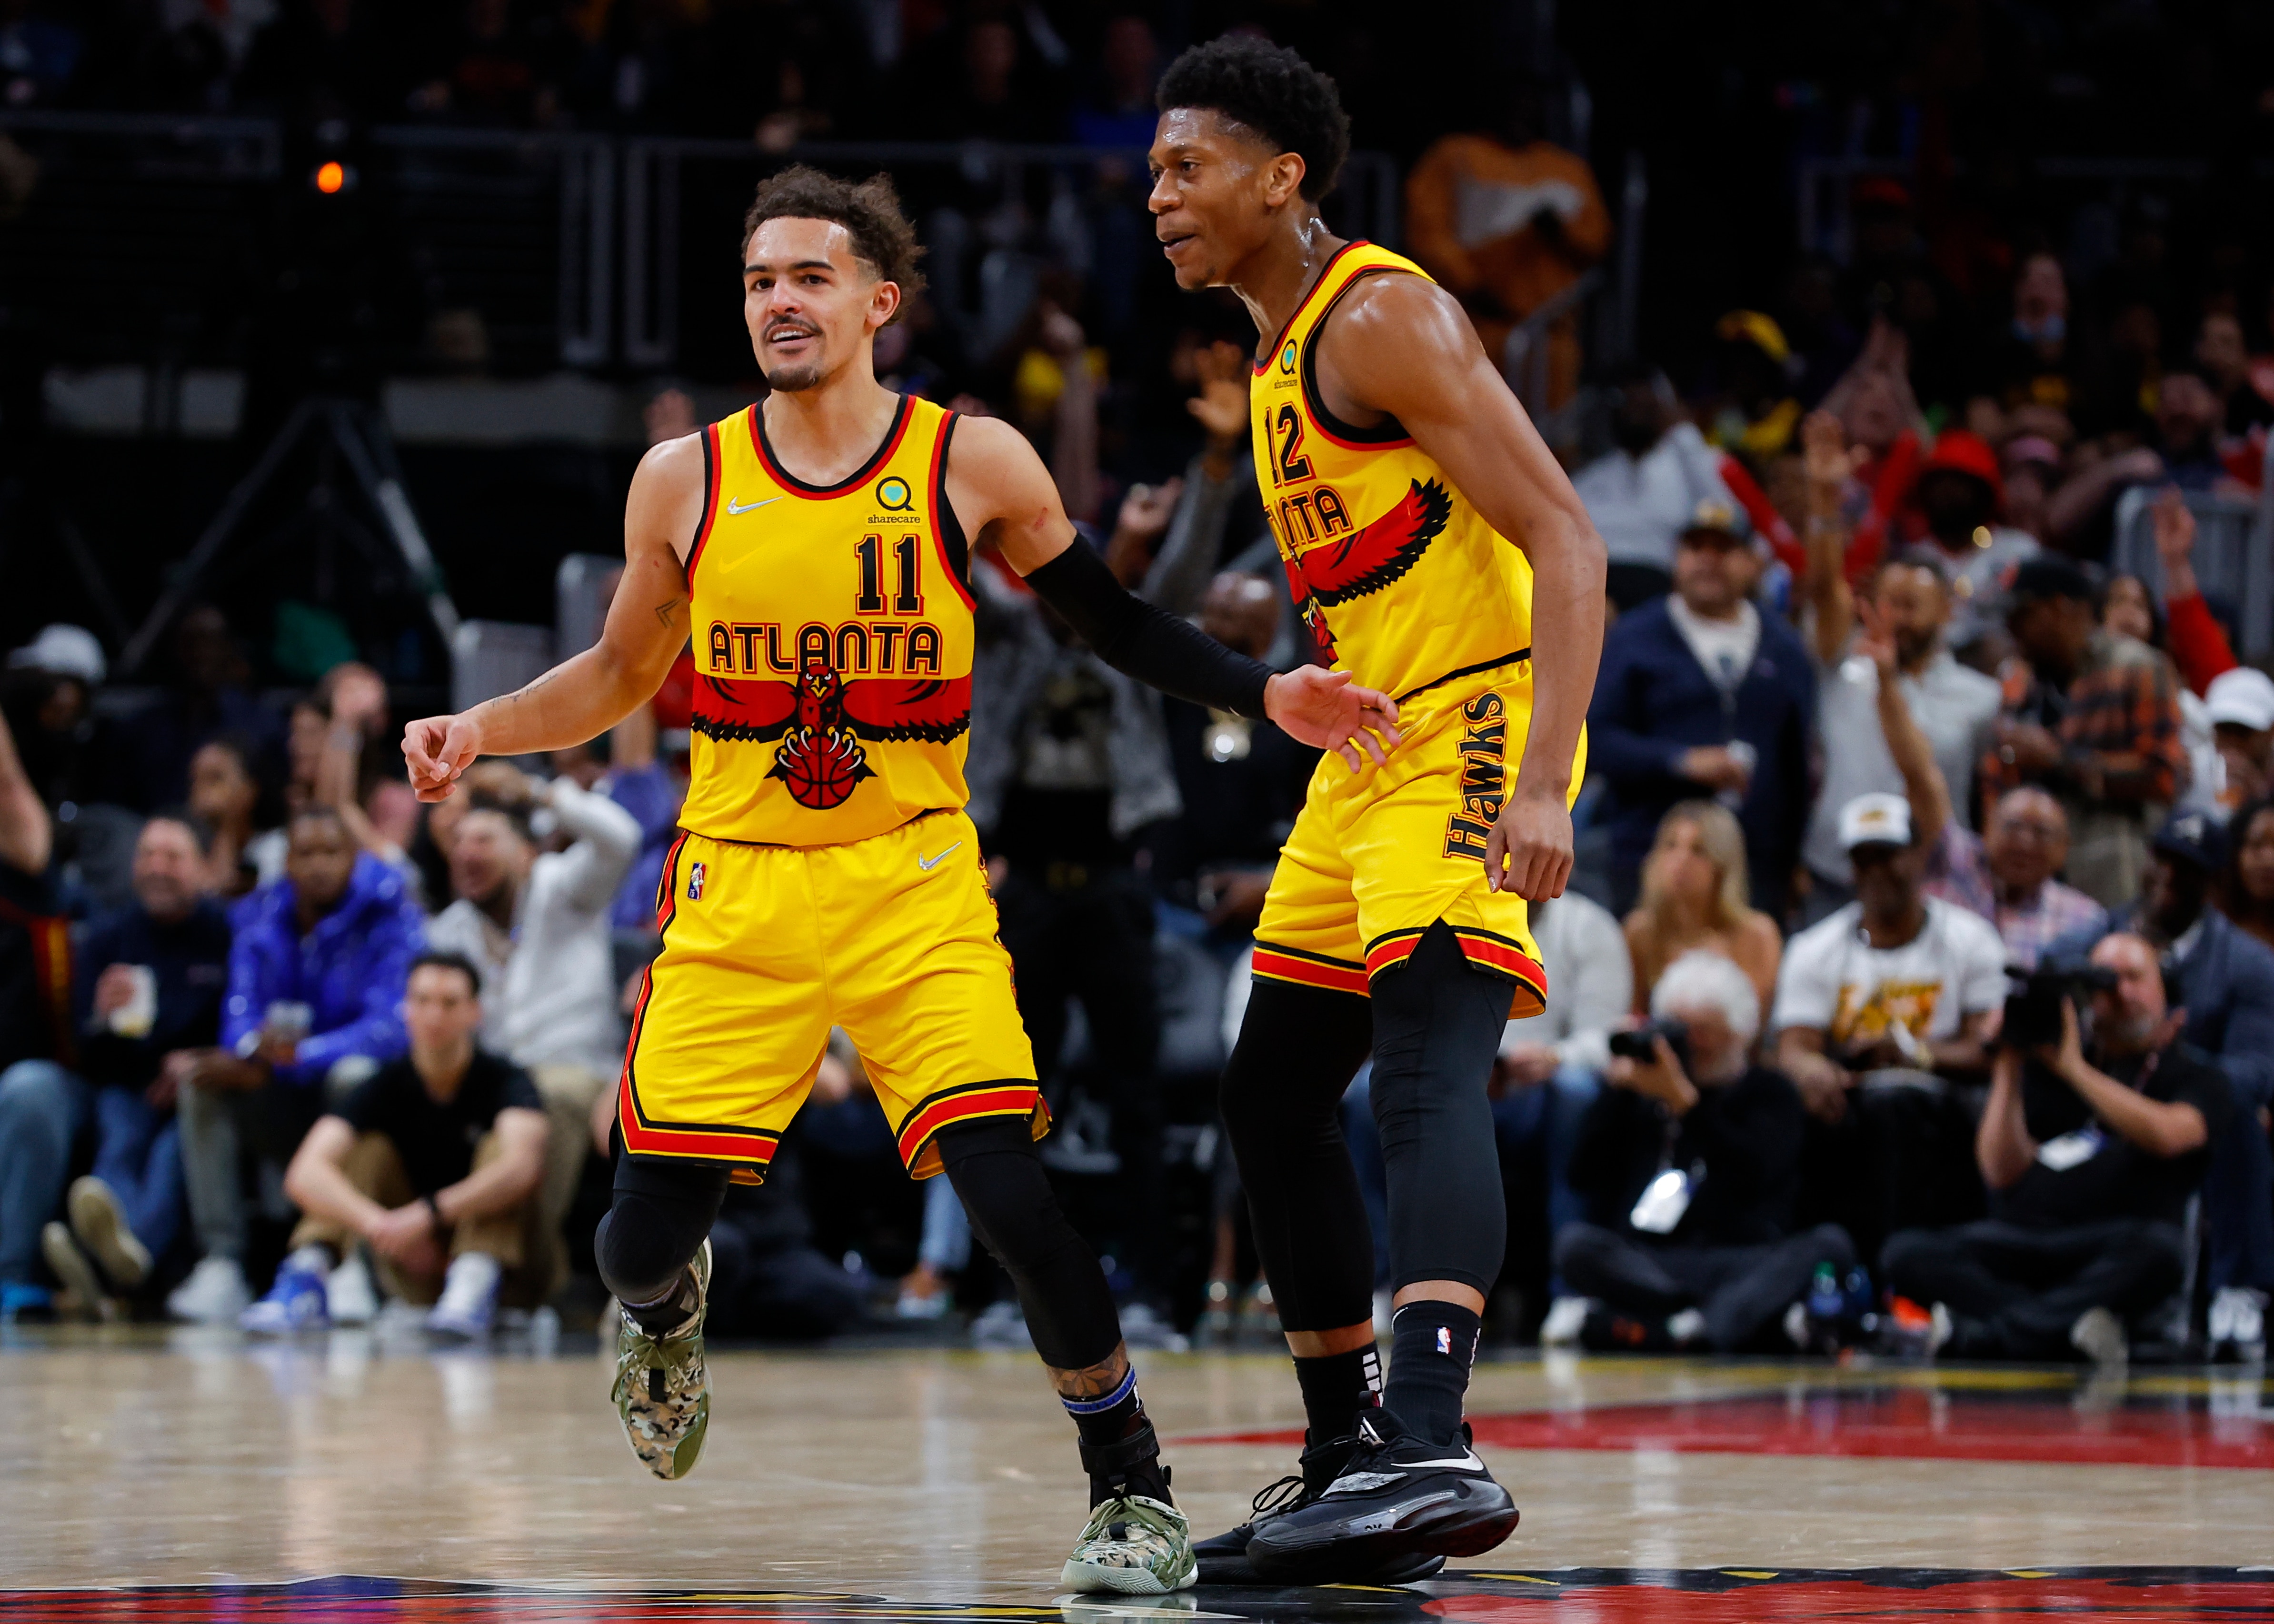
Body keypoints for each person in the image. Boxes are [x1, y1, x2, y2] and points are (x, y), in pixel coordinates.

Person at [400, 165, 1393, 1594]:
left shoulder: (968, 461)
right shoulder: (683, 478)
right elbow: (621, 674)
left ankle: (1131, 1489)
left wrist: (1260, 686)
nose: (777, 301)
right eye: (756, 281)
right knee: (629, 1244)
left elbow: (1108, 621)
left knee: (1011, 1197)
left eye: (806, 276)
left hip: (911, 886)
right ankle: (665, 1314)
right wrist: (481, 727)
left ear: (879, 302)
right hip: (737, 891)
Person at [1147, 37, 1604, 1584]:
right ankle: (1345, 1452)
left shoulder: (1383, 315)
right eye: (1151, 170)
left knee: (1422, 1064)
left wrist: (1539, 774)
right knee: (1270, 1090)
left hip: (1474, 722)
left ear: (1282, 179)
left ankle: (1430, 1443)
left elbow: (1563, 537)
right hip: (1365, 759)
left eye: (1186, 167)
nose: (1158, 196)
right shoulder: (1271, 366)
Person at [1881, 933, 2229, 1366]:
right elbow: (2001, 1171)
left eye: (2134, 978)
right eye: (2105, 981)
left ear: (2169, 996)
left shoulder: (2198, 1077)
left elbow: (2168, 1133)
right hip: (2026, 1239)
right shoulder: (2051, 1063)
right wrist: (2009, 1061)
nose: (2119, 993)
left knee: (2161, 1252)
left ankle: (1995, 1337)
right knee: (1906, 1253)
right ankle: (2063, 1331)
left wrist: (2074, 1069)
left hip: (2113, 1245)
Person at [166, 806, 425, 1324]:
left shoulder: (389, 915)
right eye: (305, 854)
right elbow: (240, 1013)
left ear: (353, 859)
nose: (318, 865)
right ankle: (223, 1263)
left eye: (331, 852)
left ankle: (345, 1256)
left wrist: (297, 1057)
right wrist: (247, 1054)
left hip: (354, 1108)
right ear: (287, 862)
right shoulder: (260, 919)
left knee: (354, 1076)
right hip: (283, 1100)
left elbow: (390, 1029)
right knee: (203, 1082)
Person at [2050, 812, 2274, 1358]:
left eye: (2188, 869)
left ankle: (2237, 1290)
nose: (2169, 877)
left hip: (2191, 1109)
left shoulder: (2249, 964)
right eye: (2163, 859)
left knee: (2234, 1112)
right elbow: (2047, 983)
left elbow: (2257, 1069)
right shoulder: (2096, 938)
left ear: (2215, 882)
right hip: (2099, 1096)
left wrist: (2168, 1068)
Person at [1550, 950, 1853, 1353]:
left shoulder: (1769, 1092)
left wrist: (1687, 1106)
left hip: (1744, 1258)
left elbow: (1755, 1176)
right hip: (1654, 1263)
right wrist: (1618, 1093)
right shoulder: (1643, 1094)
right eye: (1677, 1031)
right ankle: (1704, 1322)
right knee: (1575, 1244)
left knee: (1828, 1246)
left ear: (1738, 1035)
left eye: (1702, 1033)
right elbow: (1583, 1175)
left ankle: (1684, 1326)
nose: (1688, 1047)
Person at [424, 763, 641, 1294]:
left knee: (541, 1099)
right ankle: (420, 1275)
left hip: (577, 1075)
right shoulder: (449, 932)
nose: (466, 851)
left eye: (483, 839)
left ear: (525, 854)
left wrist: (544, 792)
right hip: (498, 1084)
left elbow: (622, 838)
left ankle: (505, 1277)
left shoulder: (563, 889)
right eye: (458, 841)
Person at [1771, 792, 2009, 1265]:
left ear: (1918, 856)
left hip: (1945, 1102)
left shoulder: (1969, 939)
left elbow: (1988, 1050)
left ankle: (1901, 1267)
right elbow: (1794, 1047)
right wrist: (1812, 1071)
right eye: (1865, 859)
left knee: (1897, 1106)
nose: (1878, 871)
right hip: (1849, 1098)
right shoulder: (1816, 948)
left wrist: (1909, 1052)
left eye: (1889, 856)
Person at [258, 953, 548, 1337]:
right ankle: (308, 1271)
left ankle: (474, 1277)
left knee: (502, 1149)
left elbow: (522, 1169)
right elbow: (304, 1172)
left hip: (513, 1269)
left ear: (475, 1012)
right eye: (423, 1001)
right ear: (406, 1009)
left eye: (449, 1003)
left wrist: (428, 1214)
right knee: (363, 1150)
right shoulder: (384, 1083)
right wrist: (382, 1226)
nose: (434, 1015)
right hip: (413, 1262)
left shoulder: (507, 1079)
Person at [39, 817, 231, 1310]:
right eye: (147, 855)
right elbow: (83, 1050)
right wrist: (101, 1018)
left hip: (197, 1091)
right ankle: (121, 1270)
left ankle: (99, 1272)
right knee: (119, 1137)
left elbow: (241, 1024)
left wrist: (198, 1060)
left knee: (172, 1156)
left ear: (204, 870)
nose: (157, 868)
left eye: (173, 856)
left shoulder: (226, 933)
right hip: (124, 1084)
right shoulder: (107, 937)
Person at [1589, 499, 1815, 917]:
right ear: (1677, 558)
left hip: (1755, 866)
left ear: (1753, 562)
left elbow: (1799, 766)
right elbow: (1596, 741)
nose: (1708, 561)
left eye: (1724, 549)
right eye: (1696, 548)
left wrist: (1794, 857)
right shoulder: (1636, 637)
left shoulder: (1784, 648)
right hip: (1650, 857)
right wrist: (1680, 761)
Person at [1980, 555, 2186, 908]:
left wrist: (2060, 759)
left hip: (2110, 870)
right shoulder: (2022, 682)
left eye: (2022, 618)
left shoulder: (2134, 665)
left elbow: (2162, 776)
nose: (2013, 633)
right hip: (2031, 877)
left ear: (2060, 609)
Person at [1402, 80, 1611, 411]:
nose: (1521, 114)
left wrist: (1561, 232)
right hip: (1473, 324)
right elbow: (1428, 234)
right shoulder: (1455, 156)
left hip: (1550, 333)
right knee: (1469, 428)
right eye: (1512, 104)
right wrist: (1472, 286)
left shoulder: (1567, 170)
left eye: (1531, 106)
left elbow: (1597, 242)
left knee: (1549, 443)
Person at [1493, 887, 1630, 1275]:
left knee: (1577, 1090)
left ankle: (1570, 1286)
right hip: (1458, 1078)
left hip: (1545, 1088)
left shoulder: (1589, 927)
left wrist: (1557, 1058)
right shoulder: (1446, 914)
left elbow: (1607, 1037)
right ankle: (1385, 1283)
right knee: (1370, 1090)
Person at [0, 707, 70, 1320]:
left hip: (38, 1072)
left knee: (28, 1089)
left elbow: (8, 785)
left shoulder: (23, 874)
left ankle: (14, 1271)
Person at [1569, 365, 1741, 608]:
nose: (1634, 410)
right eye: (1628, 403)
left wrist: (1682, 431)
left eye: (1644, 403)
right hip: (1599, 589)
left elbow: (1731, 513)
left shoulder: (1689, 465)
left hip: (1663, 589)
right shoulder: (1594, 476)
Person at [1621, 801, 1781, 1018]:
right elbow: (1633, 1017)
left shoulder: (1757, 934)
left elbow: (1757, 1030)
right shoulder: (1641, 932)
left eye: (1698, 850)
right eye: (1671, 846)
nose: (1681, 859)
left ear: (1722, 864)